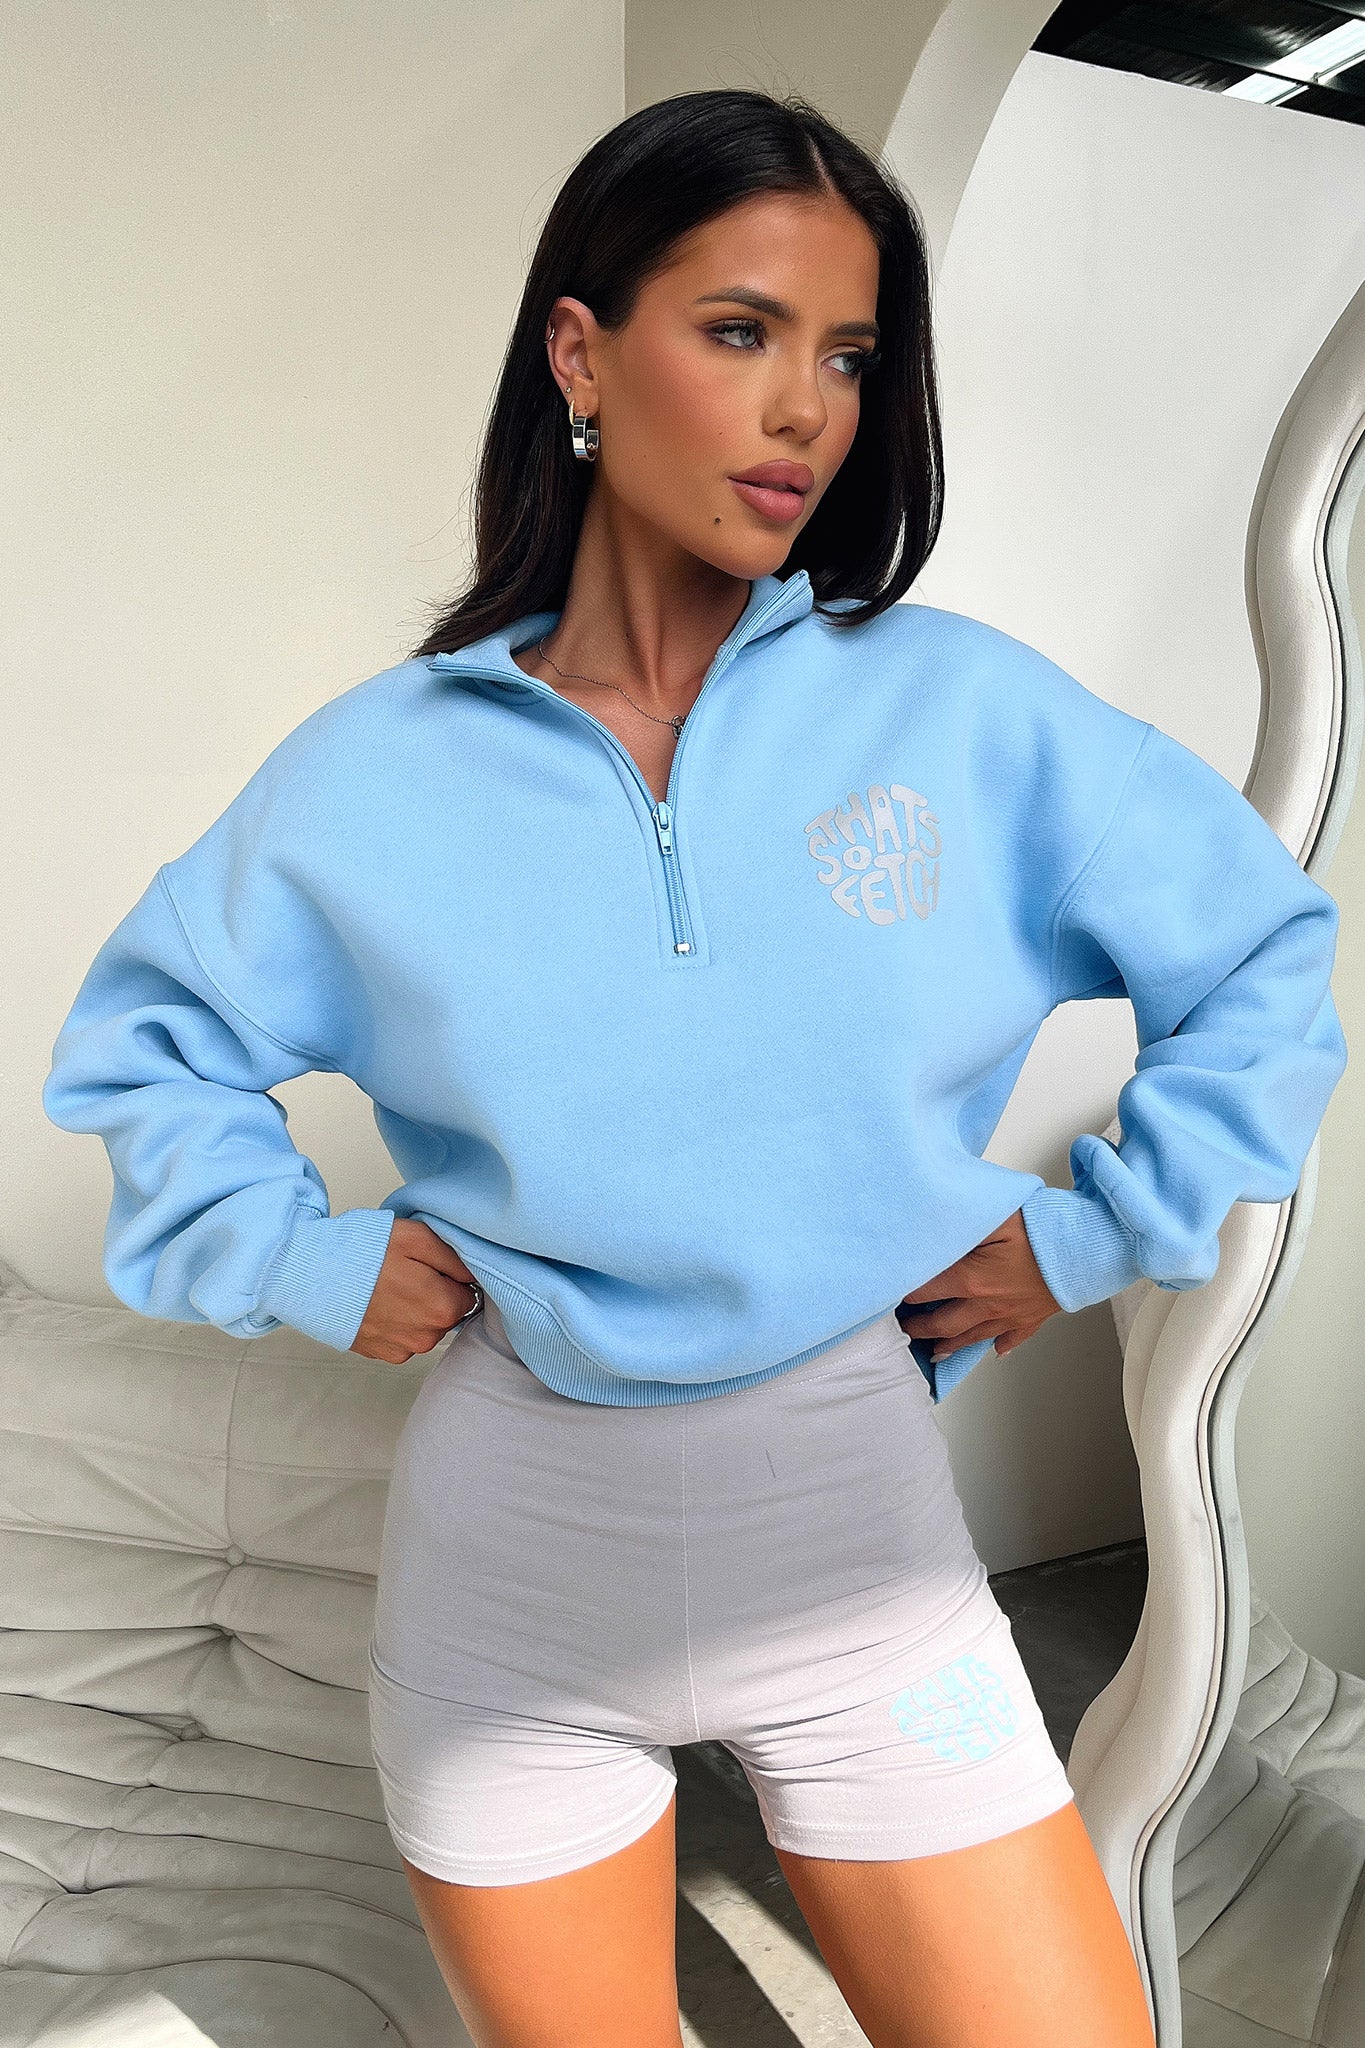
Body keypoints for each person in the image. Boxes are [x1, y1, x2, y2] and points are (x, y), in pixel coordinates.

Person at [43, 86, 1345, 2048]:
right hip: (509, 1586)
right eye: (740, 331)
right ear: (580, 355)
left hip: (857, 1548)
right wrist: (302, 1256)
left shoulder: (956, 714)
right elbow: (148, 1053)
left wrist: (1091, 1232)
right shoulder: (377, 774)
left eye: (847, 355)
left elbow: (1257, 952)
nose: (804, 408)